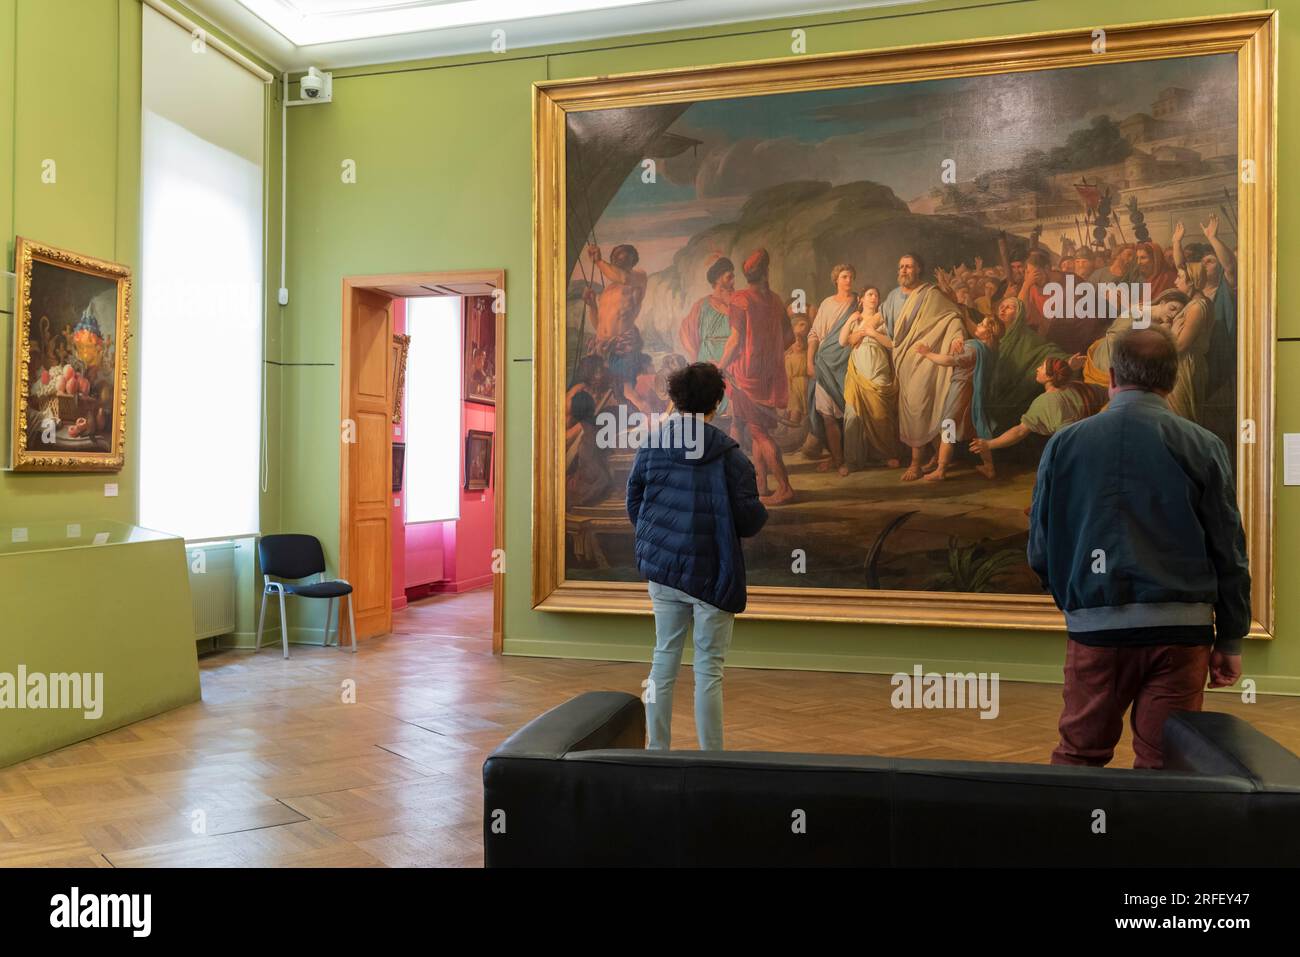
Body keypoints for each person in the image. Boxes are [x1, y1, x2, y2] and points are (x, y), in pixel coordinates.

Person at [1029, 327, 1249, 770]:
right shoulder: (1202, 445)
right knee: (1165, 764)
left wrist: (1079, 604)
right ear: (1170, 380)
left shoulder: (1064, 444)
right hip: (1181, 635)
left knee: (1078, 757)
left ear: (1110, 376)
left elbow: (1040, 545)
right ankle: (1151, 842)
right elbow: (1228, 548)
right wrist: (1230, 636)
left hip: (1096, 631)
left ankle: (1075, 838)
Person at [626, 362, 768, 751]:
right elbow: (749, 520)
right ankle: (712, 758)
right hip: (713, 573)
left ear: (675, 400)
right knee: (709, 670)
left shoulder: (651, 446)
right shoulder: (732, 458)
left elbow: (634, 503)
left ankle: (657, 751)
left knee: (663, 658)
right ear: (717, 403)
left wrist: (660, 540)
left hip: (664, 572)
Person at [884, 252, 968, 481]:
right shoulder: (892, 297)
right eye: (901, 266)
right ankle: (937, 458)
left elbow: (953, 317)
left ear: (918, 269)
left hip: (926, 361)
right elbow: (889, 329)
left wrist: (956, 338)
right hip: (904, 361)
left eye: (909, 267)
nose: (904, 270)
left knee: (922, 407)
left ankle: (916, 463)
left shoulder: (931, 294)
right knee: (915, 409)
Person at [723, 249, 797, 504]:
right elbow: (790, 337)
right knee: (759, 429)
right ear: (766, 272)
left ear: (747, 275)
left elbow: (734, 341)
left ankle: (785, 487)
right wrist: (770, 355)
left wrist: (721, 366)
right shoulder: (776, 300)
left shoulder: (740, 299)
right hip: (770, 376)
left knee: (759, 432)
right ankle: (762, 485)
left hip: (747, 376)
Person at [840, 286, 901, 470]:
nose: (874, 297)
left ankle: (884, 455)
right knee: (853, 415)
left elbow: (892, 344)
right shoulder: (856, 319)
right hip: (857, 373)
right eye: (870, 294)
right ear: (862, 299)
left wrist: (873, 333)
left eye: (876, 294)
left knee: (881, 415)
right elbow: (843, 341)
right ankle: (852, 460)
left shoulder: (884, 319)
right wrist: (852, 320)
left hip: (878, 370)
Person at [806, 263, 859, 475]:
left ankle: (851, 457)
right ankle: (838, 461)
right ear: (836, 279)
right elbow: (815, 335)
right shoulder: (827, 304)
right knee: (828, 416)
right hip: (825, 364)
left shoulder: (858, 303)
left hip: (849, 365)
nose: (848, 280)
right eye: (844, 276)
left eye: (851, 277)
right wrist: (810, 362)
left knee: (849, 415)